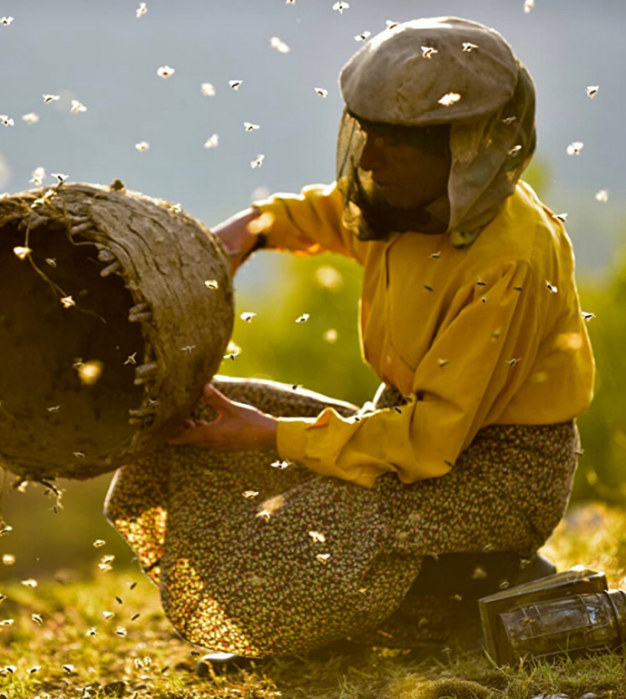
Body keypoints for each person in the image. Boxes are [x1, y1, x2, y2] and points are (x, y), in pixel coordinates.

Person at [103, 16, 595, 671]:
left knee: (305, 531)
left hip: (499, 474)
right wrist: (248, 231)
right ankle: (425, 592)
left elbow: (426, 443)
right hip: (410, 431)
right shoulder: (407, 199)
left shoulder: (507, 261)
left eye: (394, 142)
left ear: (465, 146)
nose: (367, 158)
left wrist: (263, 436)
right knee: (208, 414)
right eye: (368, 133)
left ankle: (479, 577)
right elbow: (332, 213)